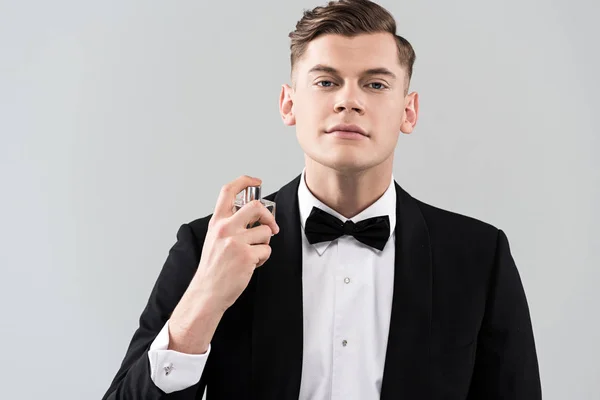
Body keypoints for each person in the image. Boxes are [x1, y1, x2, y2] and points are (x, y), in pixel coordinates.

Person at [102, 0, 542, 398]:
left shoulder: (479, 257)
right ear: (288, 104)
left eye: (374, 85)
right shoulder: (209, 246)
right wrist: (204, 299)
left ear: (408, 111)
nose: (348, 101)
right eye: (327, 81)